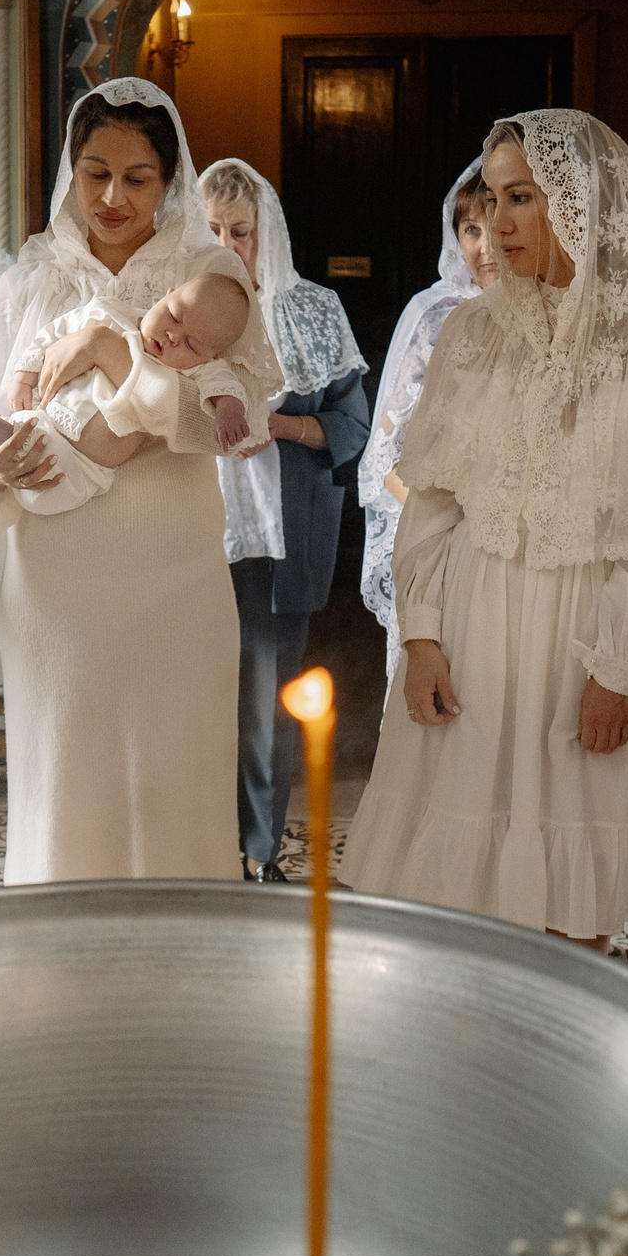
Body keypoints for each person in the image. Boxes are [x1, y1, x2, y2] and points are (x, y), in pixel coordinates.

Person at [340, 111, 628, 939]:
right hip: (475, 636)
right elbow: (434, 501)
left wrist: (616, 666)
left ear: (580, 203)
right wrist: (421, 635)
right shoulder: (471, 332)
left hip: (588, 637)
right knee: (462, 900)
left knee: (579, 895)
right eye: (491, 200)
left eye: (521, 197)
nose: (498, 223)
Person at [0, 78, 277, 882]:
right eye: (96, 173)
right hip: (57, 595)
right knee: (67, 801)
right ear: (71, 171)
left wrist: (108, 349)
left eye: (137, 178)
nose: (113, 197)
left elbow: (232, 426)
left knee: (174, 799)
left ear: (170, 179)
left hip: (174, 589)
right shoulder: (30, 281)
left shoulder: (208, 278)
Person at [199, 158, 372, 882]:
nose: (225, 247)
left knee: (268, 704)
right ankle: (197, 846)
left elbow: (354, 427)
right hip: (193, 540)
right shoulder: (173, 310)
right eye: (210, 230)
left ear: (267, 233)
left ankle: (258, 853)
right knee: (196, 696)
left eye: (240, 232)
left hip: (279, 537)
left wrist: (278, 425)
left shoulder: (312, 311)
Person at [0, 273, 258, 531]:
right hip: (50, 417)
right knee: (15, 435)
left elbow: (224, 386)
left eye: (191, 344)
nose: (173, 335)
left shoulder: (202, 368)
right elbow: (51, 334)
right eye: (174, 316)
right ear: (167, 294)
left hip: (86, 466)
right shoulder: (108, 313)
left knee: (43, 488)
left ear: (211, 355)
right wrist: (24, 375)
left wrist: (229, 410)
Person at [359, 162, 497, 673]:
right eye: (471, 230)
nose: (485, 247)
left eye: (495, 225)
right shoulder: (435, 315)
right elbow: (384, 455)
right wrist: (452, 536)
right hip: (437, 541)